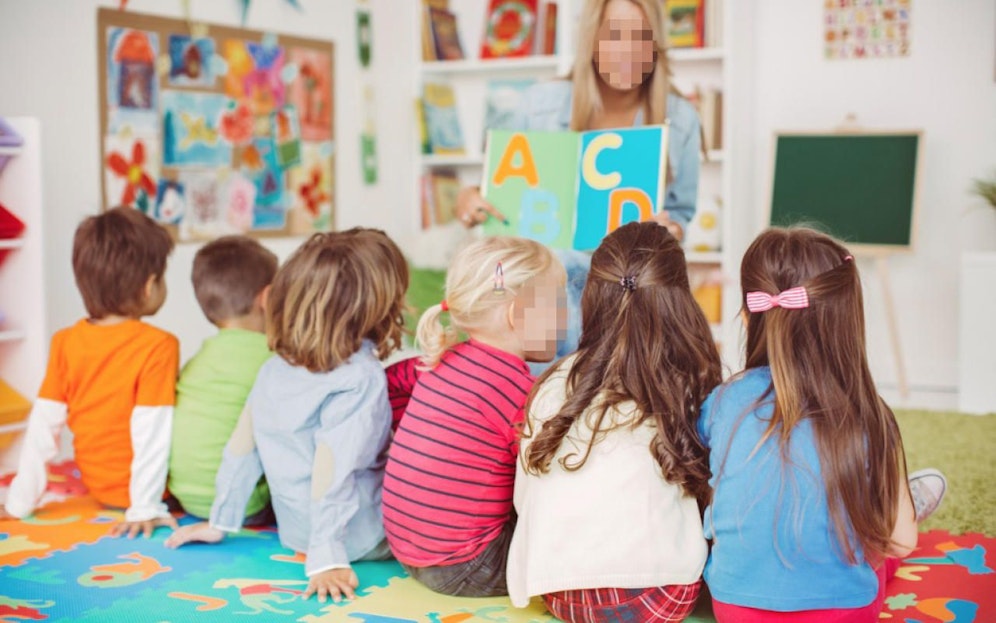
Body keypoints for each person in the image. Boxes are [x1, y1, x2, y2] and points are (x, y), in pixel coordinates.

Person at [698, 227, 948, 622]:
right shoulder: (869, 414)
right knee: (877, 548)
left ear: (747, 317)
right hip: (843, 613)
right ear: (848, 321)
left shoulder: (723, 401)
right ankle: (902, 503)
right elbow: (902, 544)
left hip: (735, 609)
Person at [165, 228, 409, 604]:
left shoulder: (274, 367)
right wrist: (326, 556)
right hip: (355, 538)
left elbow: (242, 446)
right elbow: (333, 468)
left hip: (295, 531)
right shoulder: (361, 378)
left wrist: (221, 519)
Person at [456, 0, 703, 362]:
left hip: (626, 302)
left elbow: (681, 212)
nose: (628, 52)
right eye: (614, 36)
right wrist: (470, 199)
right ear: (592, 41)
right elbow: (497, 192)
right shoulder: (538, 104)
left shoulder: (680, 117)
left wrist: (670, 230)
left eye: (641, 37)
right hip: (537, 303)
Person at [506, 222, 719, 621]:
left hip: (561, 593)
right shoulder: (688, 381)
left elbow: (525, 497)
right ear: (680, 300)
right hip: (660, 597)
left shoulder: (553, 381)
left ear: (591, 296)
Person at [382, 236, 565, 597]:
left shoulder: (436, 360)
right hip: (466, 566)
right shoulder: (517, 391)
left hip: (406, 549)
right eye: (557, 305)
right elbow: (553, 471)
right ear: (517, 315)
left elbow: (387, 385)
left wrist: (430, 437)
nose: (566, 317)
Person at [1, 207, 179, 539]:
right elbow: (151, 431)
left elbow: (43, 426)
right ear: (149, 286)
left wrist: (19, 501)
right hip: (147, 493)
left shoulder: (65, 343)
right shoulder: (159, 346)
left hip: (97, 486)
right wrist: (143, 506)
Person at [166, 236, 278, 523]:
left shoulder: (198, 360)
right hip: (246, 506)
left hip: (187, 496)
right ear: (266, 298)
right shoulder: (273, 359)